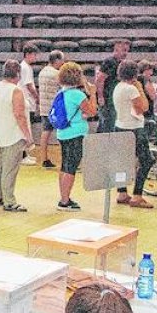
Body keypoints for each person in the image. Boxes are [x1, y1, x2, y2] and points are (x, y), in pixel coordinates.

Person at [55, 62, 98, 210]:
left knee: (65, 165)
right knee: (71, 167)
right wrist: (92, 93)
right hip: (76, 133)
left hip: (63, 132)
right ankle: (65, 201)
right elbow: (92, 111)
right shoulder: (77, 95)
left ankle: (63, 196)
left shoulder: (61, 92)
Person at [0, 60, 32, 212]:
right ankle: (9, 201)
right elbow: (19, 115)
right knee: (10, 169)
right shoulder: (16, 91)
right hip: (13, 134)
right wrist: (28, 135)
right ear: (18, 74)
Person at [113, 60, 154, 209]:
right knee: (147, 160)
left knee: (122, 162)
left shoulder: (118, 87)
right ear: (135, 74)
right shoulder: (132, 89)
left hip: (120, 126)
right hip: (134, 129)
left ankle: (122, 192)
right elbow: (143, 108)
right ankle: (137, 195)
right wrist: (140, 89)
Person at [36, 50, 65, 169]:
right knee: (63, 134)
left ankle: (44, 159)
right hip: (55, 107)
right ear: (57, 60)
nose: (63, 63)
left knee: (45, 132)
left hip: (44, 107)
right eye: (62, 60)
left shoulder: (42, 72)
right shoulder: (56, 74)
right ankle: (65, 160)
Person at [95, 39, 130, 134]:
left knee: (109, 124)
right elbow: (99, 80)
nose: (125, 53)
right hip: (107, 99)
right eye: (123, 50)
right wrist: (100, 97)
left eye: (127, 51)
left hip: (115, 98)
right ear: (116, 50)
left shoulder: (121, 63)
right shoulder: (109, 62)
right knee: (107, 124)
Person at [19, 44, 40, 165]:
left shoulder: (26, 67)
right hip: (26, 100)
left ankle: (26, 153)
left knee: (27, 127)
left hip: (27, 100)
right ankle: (23, 155)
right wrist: (37, 97)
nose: (35, 57)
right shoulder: (25, 68)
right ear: (28, 54)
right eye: (34, 55)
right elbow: (29, 85)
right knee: (25, 128)